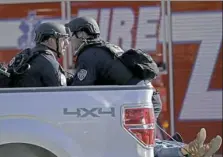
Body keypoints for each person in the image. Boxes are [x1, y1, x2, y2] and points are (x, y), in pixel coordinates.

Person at [65, 16, 222, 157]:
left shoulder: (88, 54)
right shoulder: (105, 49)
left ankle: (183, 152)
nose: (69, 41)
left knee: (138, 146)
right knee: (146, 142)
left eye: (71, 36)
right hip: (146, 97)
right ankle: (192, 149)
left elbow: (79, 91)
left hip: (137, 103)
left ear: (82, 34)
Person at [0, 22, 70, 87]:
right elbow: (60, 94)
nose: (67, 43)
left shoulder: (25, 56)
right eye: (63, 39)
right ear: (51, 41)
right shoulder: (49, 63)